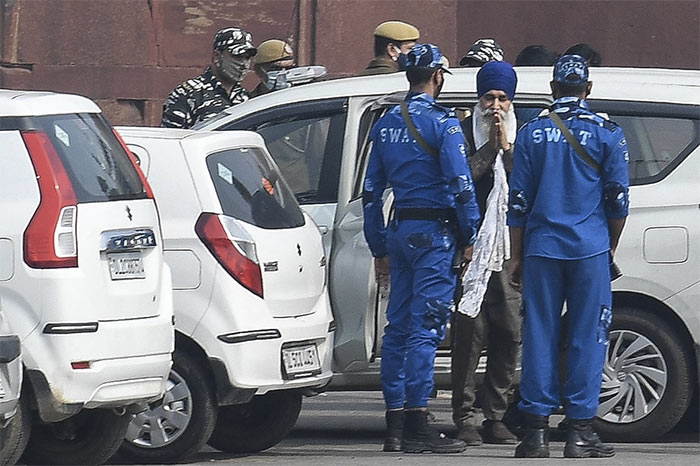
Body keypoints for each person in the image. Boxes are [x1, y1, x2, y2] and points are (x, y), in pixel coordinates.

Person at [507, 54, 629, 458]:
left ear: (553, 89)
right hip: (589, 249)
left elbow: (518, 201)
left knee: (539, 333)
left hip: (542, 248)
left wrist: (516, 256)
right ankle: (579, 431)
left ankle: (535, 433)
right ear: (588, 89)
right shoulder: (608, 133)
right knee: (588, 337)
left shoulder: (531, 132)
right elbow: (617, 201)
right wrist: (608, 246)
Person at [362, 43, 480, 454]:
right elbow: (461, 186)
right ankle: (417, 421)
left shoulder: (385, 123)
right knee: (426, 331)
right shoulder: (444, 125)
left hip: (399, 231)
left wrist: (378, 245)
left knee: (397, 329)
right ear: (438, 77)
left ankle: (394, 426)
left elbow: (371, 191)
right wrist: (470, 235)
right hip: (435, 235)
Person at [451, 61, 521, 446]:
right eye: (489, 98)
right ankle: (464, 416)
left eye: (502, 98)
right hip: (471, 250)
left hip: (509, 250)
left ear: (511, 102)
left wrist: (506, 149)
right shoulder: (461, 134)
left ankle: (496, 415)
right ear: (479, 101)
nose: (495, 106)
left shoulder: (521, 135)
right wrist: (488, 150)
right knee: (470, 335)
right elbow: (459, 183)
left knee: (509, 333)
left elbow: (524, 185)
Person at [161, 27, 256, 128]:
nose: (244, 64)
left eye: (247, 58)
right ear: (217, 56)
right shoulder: (188, 93)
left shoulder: (245, 97)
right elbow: (171, 137)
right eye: (237, 56)